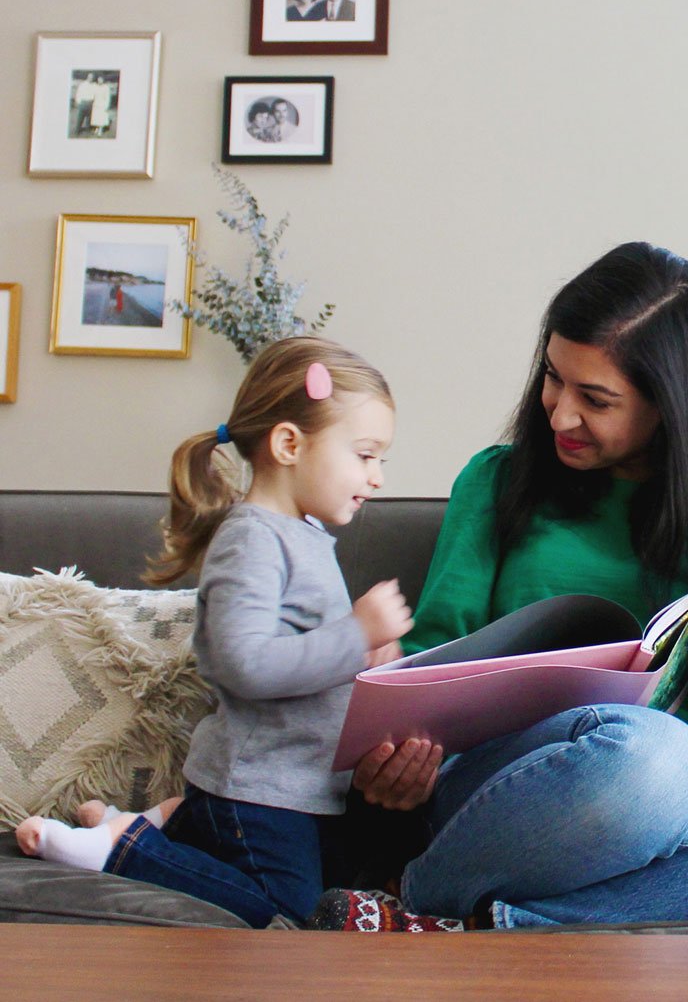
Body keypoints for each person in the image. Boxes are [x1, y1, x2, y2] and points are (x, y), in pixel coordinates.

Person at [311, 242, 688, 932]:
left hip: (681, 801)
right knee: (662, 761)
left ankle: (451, 920)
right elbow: (436, 654)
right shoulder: (496, 481)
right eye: (554, 379)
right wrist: (400, 754)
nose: (559, 414)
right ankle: (440, 884)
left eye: (596, 399)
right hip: (518, 795)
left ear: (670, 405)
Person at [15, 337, 459, 930]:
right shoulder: (252, 540)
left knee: (336, 889)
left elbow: (304, 655)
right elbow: (243, 664)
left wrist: (374, 656)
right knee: (286, 913)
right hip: (257, 790)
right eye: (365, 455)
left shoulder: (300, 536)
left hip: (298, 789)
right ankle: (124, 850)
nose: (376, 477)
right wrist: (354, 633)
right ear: (288, 444)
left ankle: (158, 826)